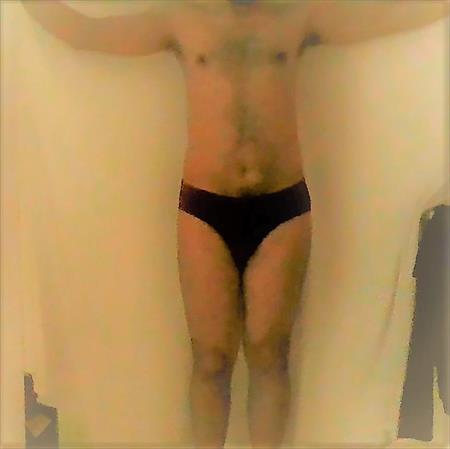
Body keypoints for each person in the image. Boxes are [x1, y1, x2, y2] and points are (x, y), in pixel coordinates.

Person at [22, 1, 450, 448]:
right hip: (204, 211)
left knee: (270, 358)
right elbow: (86, 32)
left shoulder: (297, 15)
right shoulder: (182, 18)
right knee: (209, 362)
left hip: (282, 210)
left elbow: (383, 17)